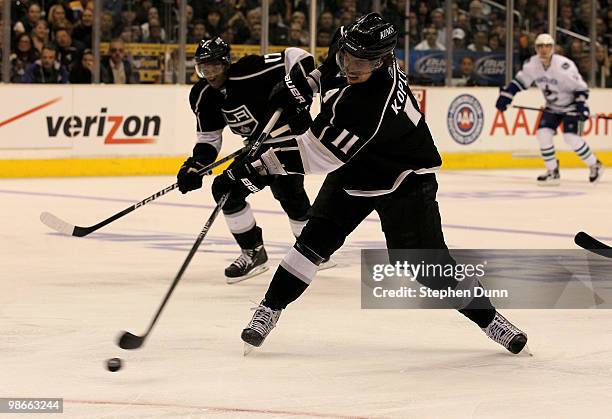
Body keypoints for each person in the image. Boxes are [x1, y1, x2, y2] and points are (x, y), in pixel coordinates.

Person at [211, 13, 528, 354]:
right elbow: (328, 68)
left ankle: (489, 318)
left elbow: (317, 156)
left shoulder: (370, 101)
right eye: (349, 57)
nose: (352, 67)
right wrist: (303, 86)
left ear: (383, 60)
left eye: (363, 63)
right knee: (312, 243)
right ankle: (269, 309)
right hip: (355, 167)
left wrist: (253, 171)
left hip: (403, 174)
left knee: (426, 267)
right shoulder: (348, 44)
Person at [178, 37, 333, 284]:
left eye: (214, 66)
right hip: (256, 148)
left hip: (288, 141)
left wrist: (299, 93)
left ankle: (311, 250)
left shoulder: (249, 70)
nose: (209, 73)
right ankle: (254, 252)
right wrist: (197, 164)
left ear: (226, 63)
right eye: (203, 67)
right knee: (225, 189)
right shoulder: (202, 95)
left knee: (289, 195)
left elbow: (297, 55)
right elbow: (209, 138)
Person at [496, 33, 603, 185]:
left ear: (552, 48)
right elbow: (519, 82)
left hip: (570, 106)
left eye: (547, 46)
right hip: (552, 107)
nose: (544, 50)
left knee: (570, 138)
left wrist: (581, 105)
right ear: (536, 48)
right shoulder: (532, 65)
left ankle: (595, 165)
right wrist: (506, 96)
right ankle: (552, 171)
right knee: (542, 134)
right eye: (540, 46)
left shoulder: (564, 66)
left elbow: (581, 88)